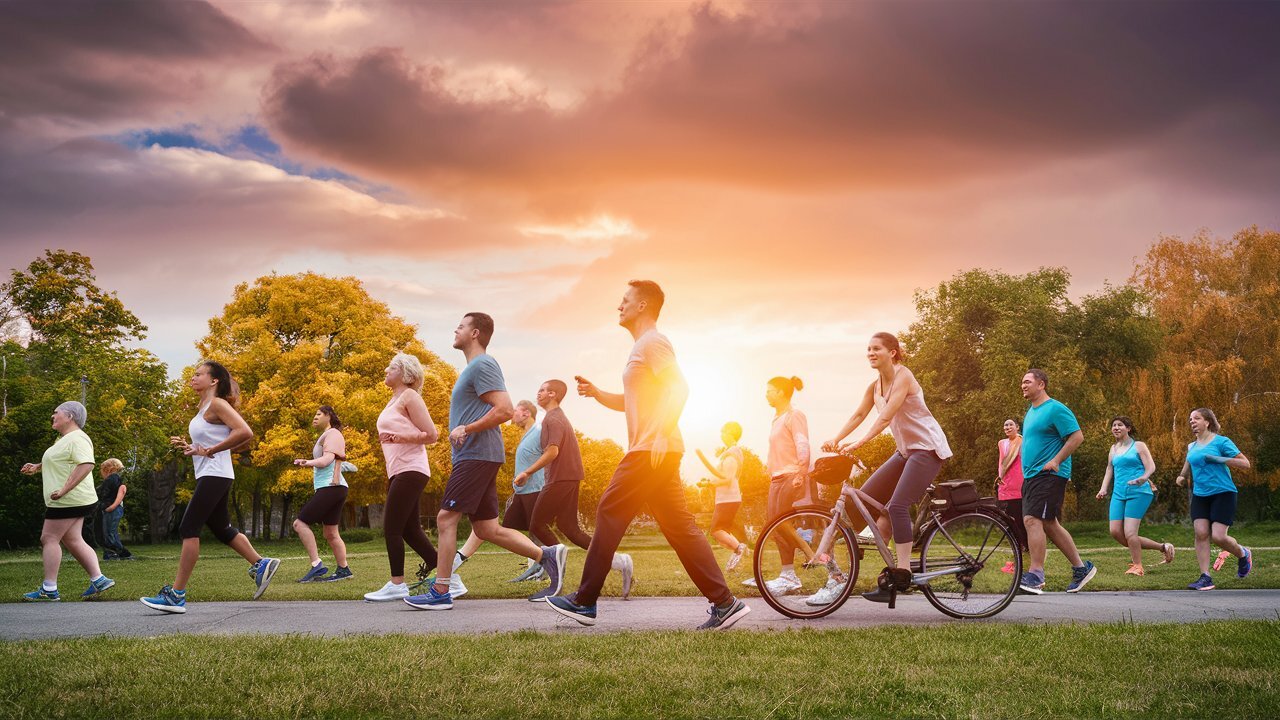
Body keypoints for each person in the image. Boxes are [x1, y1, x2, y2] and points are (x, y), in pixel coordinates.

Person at [545, 280, 749, 630]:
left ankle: (584, 601)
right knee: (680, 528)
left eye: (624, 300)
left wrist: (656, 433)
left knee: (609, 510)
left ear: (642, 306)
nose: (618, 306)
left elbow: (681, 387)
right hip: (658, 450)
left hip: (651, 450)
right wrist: (597, 393)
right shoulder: (642, 346)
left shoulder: (654, 342)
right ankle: (724, 603)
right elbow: (632, 402)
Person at [405, 313, 565, 611]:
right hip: (476, 455)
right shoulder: (473, 368)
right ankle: (547, 556)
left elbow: (504, 409)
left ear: (475, 333)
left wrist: (467, 428)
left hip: (477, 454)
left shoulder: (483, 364)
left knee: (445, 518)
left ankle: (441, 590)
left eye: (462, 326)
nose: (456, 329)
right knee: (487, 529)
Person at [821, 333, 953, 603]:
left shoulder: (903, 376)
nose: (871, 352)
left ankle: (902, 572)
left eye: (877, 348)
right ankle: (876, 570)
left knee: (897, 506)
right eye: (868, 348)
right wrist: (836, 438)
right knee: (865, 501)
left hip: (927, 449)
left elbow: (886, 416)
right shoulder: (873, 386)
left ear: (892, 352)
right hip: (905, 451)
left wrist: (860, 443)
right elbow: (859, 414)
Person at [141, 362, 280, 613]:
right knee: (222, 528)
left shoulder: (217, 404)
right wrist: (192, 448)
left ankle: (176, 595)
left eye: (198, 374)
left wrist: (212, 450)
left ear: (214, 381)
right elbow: (209, 442)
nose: (192, 378)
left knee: (188, 527)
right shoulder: (203, 407)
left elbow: (244, 432)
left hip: (215, 474)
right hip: (212, 473)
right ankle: (261, 564)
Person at [524, 380, 634, 599]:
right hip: (569, 477)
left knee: (536, 524)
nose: (538, 393)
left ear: (552, 394)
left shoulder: (553, 419)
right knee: (569, 528)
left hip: (561, 478)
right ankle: (619, 561)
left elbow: (553, 451)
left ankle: (556, 561)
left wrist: (527, 472)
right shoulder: (557, 417)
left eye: (542, 389)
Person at [364, 353, 442, 602]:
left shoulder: (410, 396)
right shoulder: (393, 400)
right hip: (398, 469)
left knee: (392, 528)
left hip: (411, 468)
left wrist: (400, 438)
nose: (386, 370)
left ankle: (397, 583)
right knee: (410, 530)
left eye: (392, 366)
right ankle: (446, 573)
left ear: (406, 373)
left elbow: (431, 434)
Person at [20, 401, 115, 601]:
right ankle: (99, 579)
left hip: (68, 499)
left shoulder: (77, 438)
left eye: (56, 412)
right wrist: (37, 467)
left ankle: (49, 588)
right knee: (72, 539)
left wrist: (63, 490)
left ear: (70, 416)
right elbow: (63, 462)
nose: (52, 416)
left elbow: (87, 464)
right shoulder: (66, 440)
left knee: (49, 538)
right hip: (74, 499)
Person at [1013, 369, 1095, 595]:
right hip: (1032, 476)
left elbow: (1077, 436)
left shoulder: (1056, 408)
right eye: (1022, 382)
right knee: (1049, 523)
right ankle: (1081, 569)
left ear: (1041, 384)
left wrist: (1056, 460)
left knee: (1032, 520)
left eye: (1027, 381)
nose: (1023, 385)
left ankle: (1036, 575)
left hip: (1050, 474)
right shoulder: (1030, 412)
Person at [1176, 407, 1253, 591]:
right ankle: (1205, 577)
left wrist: (1220, 459)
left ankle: (1243, 554)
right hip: (1200, 495)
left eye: (1196, 418)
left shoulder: (1221, 442)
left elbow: (1246, 464)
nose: (1192, 421)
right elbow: (1190, 460)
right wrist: (1182, 475)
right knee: (1200, 533)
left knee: (1219, 537)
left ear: (1207, 422)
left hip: (1223, 493)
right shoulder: (1192, 446)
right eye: (1190, 419)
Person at [755, 377, 815, 597]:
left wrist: (801, 470)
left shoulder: (794, 415)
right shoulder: (777, 418)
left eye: (770, 391)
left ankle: (812, 554)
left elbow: (802, 443)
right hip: (777, 477)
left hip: (791, 474)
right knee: (776, 527)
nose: (766, 394)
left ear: (781, 392)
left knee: (781, 524)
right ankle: (787, 574)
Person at [1094, 416, 1174, 576]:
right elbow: (1109, 469)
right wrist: (1103, 488)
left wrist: (1144, 478)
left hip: (1139, 492)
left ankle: (1138, 566)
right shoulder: (1113, 449)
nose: (1116, 428)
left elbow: (1151, 466)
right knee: (1116, 532)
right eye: (1114, 425)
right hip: (1118, 493)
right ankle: (1163, 547)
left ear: (1128, 428)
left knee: (1130, 533)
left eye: (1120, 425)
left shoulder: (1138, 446)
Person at [292, 406, 352, 583]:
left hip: (331, 487)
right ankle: (344, 569)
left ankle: (316, 565)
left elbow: (327, 460)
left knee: (299, 524)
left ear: (329, 416)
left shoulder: (332, 434)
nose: (315, 417)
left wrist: (307, 462)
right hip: (335, 487)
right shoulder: (328, 435)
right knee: (331, 533)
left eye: (318, 414)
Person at [695, 421, 747, 571]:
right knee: (723, 530)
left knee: (716, 530)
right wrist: (707, 482)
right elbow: (723, 476)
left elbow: (728, 479)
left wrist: (709, 484)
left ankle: (739, 549)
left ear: (730, 433)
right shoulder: (730, 452)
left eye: (723, 432)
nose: (721, 435)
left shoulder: (732, 454)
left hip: (728, 498)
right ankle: (740, 553)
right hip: (726, 498)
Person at [996, 418, 1025, 573]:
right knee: (1009, 524)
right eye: (1005, 424)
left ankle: (1023, 556)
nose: (1007, 427)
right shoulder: (1002, 443)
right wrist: (999, 478)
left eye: (1010, 424)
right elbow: (1001, 463)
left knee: (1021, 523)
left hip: (1019, 486)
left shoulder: (1022, 441)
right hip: (1005, 487)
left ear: (1017, 427)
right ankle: (1015, 559)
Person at [96, 457, 132, 560]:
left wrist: (112, 506)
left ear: (108, 469)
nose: (101, 472)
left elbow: (122, 490)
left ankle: (122, 553)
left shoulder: (112, 478)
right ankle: (110, 553)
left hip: (112, 509)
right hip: (111, 509)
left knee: (109, 532)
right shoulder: (113, 479)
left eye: (102, 470)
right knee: (108, 532)